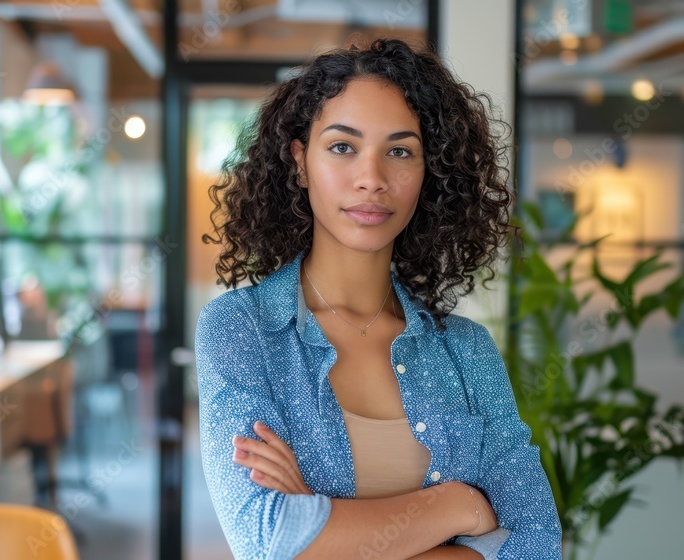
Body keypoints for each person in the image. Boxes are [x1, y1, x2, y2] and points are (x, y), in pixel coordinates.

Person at [194, 38, 562, 560]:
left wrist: (322, 530)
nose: (372, 179)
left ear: (427, 173)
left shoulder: (467, 352)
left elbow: (538, 544)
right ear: (299, 162)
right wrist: (460, 507)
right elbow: (267, 540)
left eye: (399, 151)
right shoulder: (242, 330)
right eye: (343, 147)